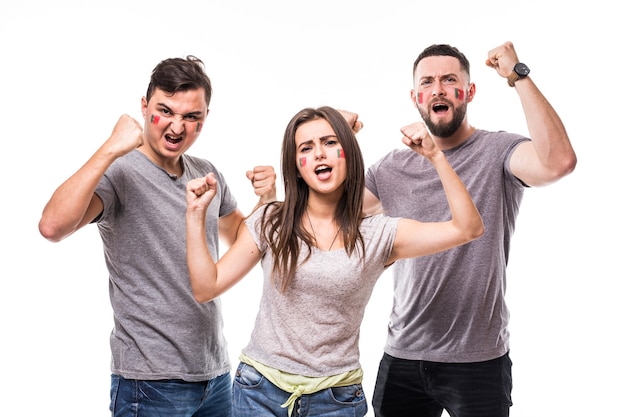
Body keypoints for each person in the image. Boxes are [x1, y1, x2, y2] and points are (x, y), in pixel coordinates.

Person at [185, 106, 484, 417]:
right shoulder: (272, 220)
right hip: (259, 390)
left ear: (348, 154)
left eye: (329, 143)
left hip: (337, 400)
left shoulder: (378, 234)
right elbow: (207, 287)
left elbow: (468, 228)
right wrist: (195, 215)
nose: (319, 154)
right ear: (296, 166)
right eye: (306, 148)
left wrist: (436, 157)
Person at [38, 55, 276, 417]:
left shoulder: (206, 172)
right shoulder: (120, 172)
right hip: (148, 385)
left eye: (191, 116)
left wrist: (266, 200)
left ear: (205, 118)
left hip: (214, 376)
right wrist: (110, 147)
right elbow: (52, 226)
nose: (177, 127)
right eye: (165, 111)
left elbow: (246, 242)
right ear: (144, 106)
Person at [362, 42, 577, 416]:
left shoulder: (498, 150)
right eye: (427, 83)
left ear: (470, 92)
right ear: (416, 97)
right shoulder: (389, 169)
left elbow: (558, 162)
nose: (439, 89)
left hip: (479, 360)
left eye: (450, 80)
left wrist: (518, 75)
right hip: (403, 356)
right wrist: (338, 137)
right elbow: (327, 217)